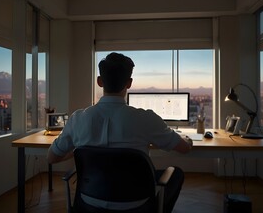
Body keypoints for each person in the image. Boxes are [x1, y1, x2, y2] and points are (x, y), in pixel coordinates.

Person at [47, 52, 193, 212]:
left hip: (89, 202)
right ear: (129, 83)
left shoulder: (77, 119)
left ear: (99, 81)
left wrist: (78, 150)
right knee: (175, 173)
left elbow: (52, 157)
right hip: (136, 204)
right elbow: (184, 149)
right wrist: (187, 140)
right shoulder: (146, 118)